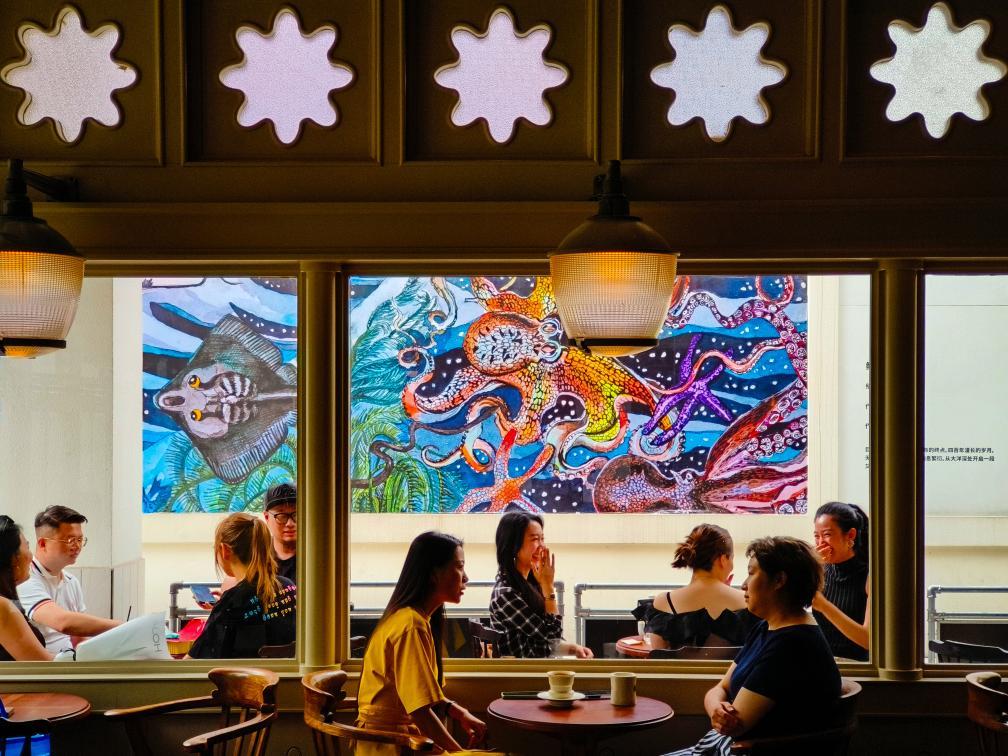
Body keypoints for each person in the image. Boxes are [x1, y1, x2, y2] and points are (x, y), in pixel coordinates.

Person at [665, 537, 841, 756]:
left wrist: (719, 712)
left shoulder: (791, 644)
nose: (743, 584)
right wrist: (716, 708)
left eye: (751, 573)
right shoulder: (766, 628)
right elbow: (720, 688)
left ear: (779, 580)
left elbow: (736, 726)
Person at [356, 531, 494, 755]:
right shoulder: (411, 625)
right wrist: (459, 753)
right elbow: (420, 710)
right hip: (392, 746)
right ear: (433, 574)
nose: (466, 577)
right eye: (459, 567)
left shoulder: (414, 619)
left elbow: (419, 694)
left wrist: (457, 711)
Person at [187, 512, 296, 659]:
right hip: (288, 673)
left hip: (243, 675)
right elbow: (263, 617)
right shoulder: (289, 586)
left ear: (224, 550)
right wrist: (223, 610)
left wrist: (223, 610)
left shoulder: (231, 603)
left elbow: (193, 663)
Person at [633, 524, 755, 649]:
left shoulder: (664, 602)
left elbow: (659, 656)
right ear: (723, 559)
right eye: (732, 558)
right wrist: (726, 592)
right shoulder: (749, 601)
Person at [488, 511, 592, 659]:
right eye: (535, 539)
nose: (542, 546)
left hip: (538, 667)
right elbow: (552, 637)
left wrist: (575, 649)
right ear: (513, 545)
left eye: (542, 538)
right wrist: (548, 587)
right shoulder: (506, 594)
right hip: (522, 671)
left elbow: (543, 642)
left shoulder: (529, 583)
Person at [17, 506, 121, 653]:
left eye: (80, 539)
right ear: (43, 543)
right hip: (42, 663)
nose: (77, 546)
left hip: (68, 660)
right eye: (70, 540)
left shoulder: (71, 581)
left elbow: (79, 638)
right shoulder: (25, 578)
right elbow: (62, 622)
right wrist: (123, 626)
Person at [812, 501, 870, 661]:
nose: (820, 543)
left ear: (850, 535)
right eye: (816, 536)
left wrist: (824, 606)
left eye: (827, 535)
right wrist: (810, 566)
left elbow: (868, 640)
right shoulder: (819, 569)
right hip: (820, 662)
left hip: (857, 667)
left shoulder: (870, 575)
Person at [0, 516, 53, 661]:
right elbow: (43, 665)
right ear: (14, 559)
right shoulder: (2, 607)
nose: (31, 557)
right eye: (28, 548)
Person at [263, 482, 296, 584]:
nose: (290, 523)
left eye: (296, 514)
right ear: (267, 517)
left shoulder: (316, 556)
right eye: (281, 516)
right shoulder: (257, 557)